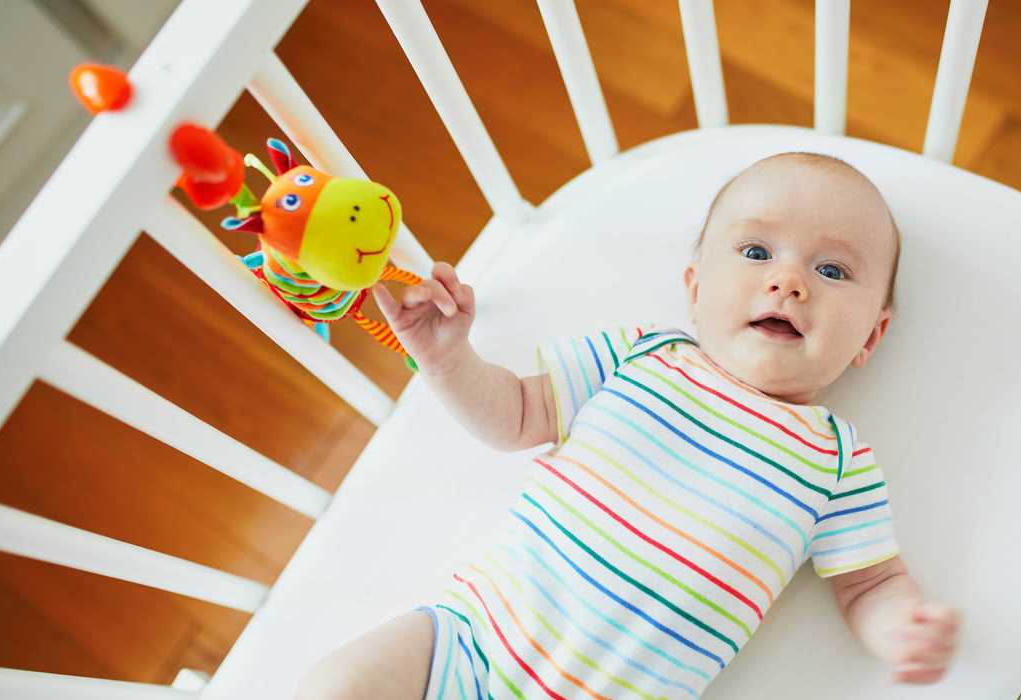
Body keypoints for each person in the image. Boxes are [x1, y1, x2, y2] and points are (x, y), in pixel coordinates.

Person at [297, 152, 961, 699]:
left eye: (832, 270)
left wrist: (901, 625)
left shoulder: (835, 460)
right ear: (695, 287)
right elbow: (517, 416)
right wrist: (447, 360)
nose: (789, 282)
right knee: (339, 684)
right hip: (467, 643)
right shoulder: (642, 354)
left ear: (870, 336)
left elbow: (868, 583)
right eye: (757, 251)